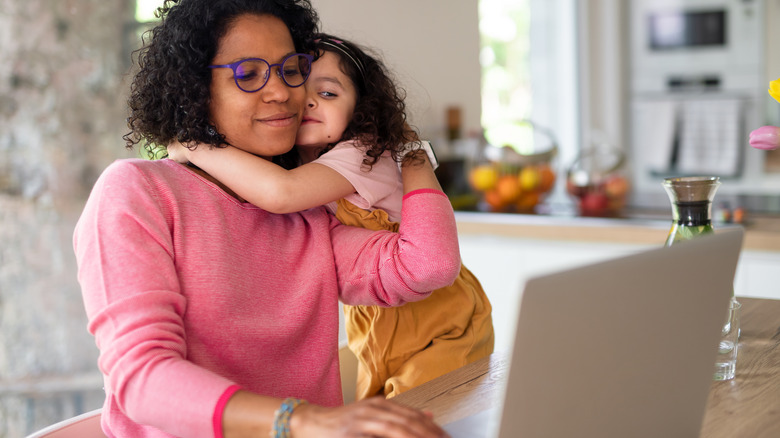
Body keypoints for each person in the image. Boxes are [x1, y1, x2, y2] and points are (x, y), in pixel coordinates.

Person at [73, 0, 457, 437]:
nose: (282, 93)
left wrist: (411, 155)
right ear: (196, 90)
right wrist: (302, 419)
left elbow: (427, 265)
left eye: (290, 69)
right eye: (249, 74)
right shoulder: (139, 191)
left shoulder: (308, 212)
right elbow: (142, 380)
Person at [168, 33, 495, 400]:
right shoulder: (311, 165)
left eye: (328, 93)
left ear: (360, 110)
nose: (306, 100)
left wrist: (194, 146)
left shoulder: (363, 152)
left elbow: (281, 193)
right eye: (298, 87)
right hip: (378, 324)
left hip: (442, 324)